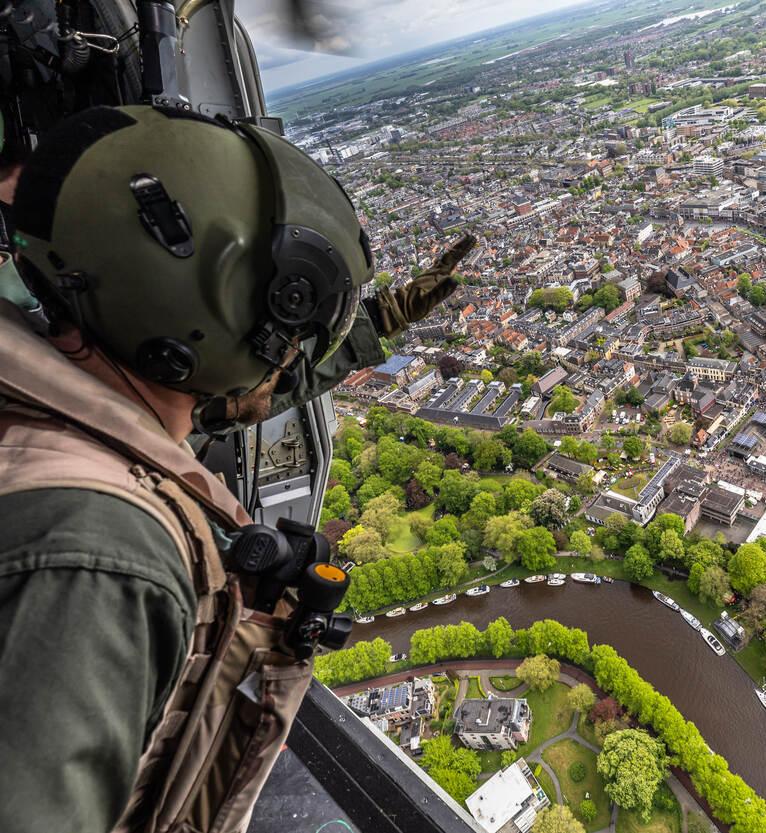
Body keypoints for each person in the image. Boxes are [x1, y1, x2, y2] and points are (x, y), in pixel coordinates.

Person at [0, 105, 470, 832]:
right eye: (284, 330)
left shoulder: (61, 382)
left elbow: (242, 389)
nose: (289, 355)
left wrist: (387, 316)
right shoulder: (98, 563)